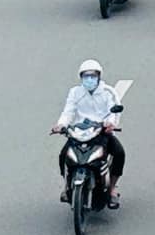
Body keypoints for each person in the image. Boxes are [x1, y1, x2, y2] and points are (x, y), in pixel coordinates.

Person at [53, 58, 125, 209]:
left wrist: (110, 124)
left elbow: (114, 110)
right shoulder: (75, 92)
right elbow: (68, 111)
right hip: (79, 133)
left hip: (101, 133)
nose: (89, 79)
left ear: (99, 76)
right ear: (81, 77)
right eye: (86, 76)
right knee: (63, 155)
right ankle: (66, 186)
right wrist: (61, 125)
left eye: (93, 76)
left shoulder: (108, 92)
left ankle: (112, 188)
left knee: (119, 153)